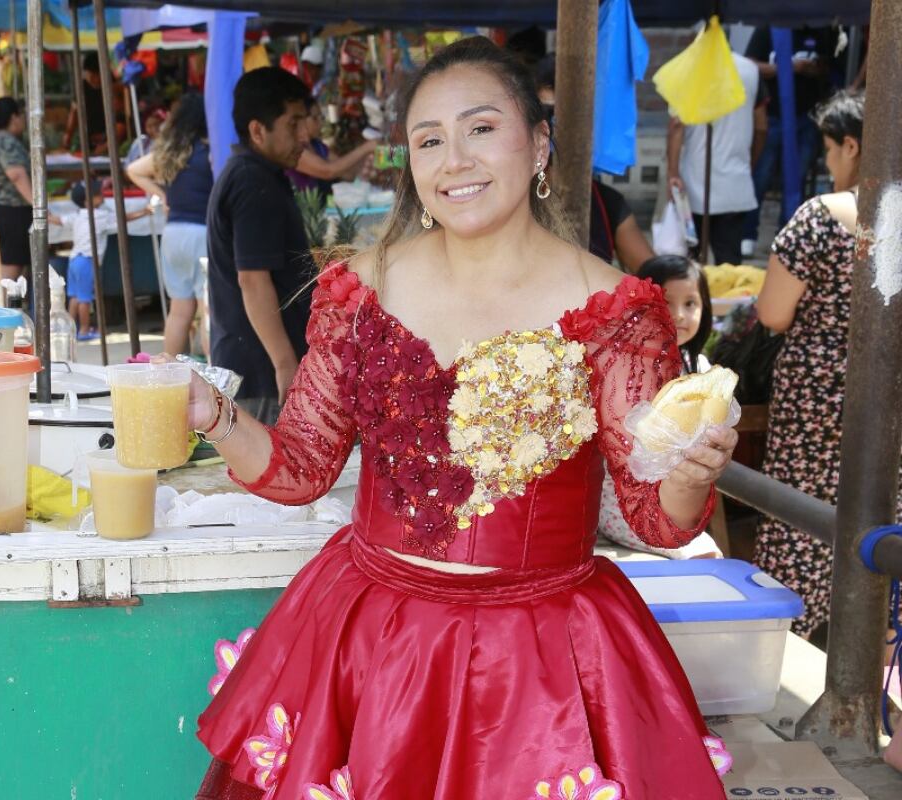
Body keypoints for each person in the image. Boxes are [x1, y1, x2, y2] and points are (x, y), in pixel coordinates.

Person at [187, 37, 737, 799]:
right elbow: (299, 468)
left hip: (538, 668)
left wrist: (691, 475)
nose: (456, 160)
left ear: (538, 143)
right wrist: (211, 412)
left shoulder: (617, 312)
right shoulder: (359, 289)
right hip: (369, 647)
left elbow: (657, 519)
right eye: (429, 140)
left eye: (481, 129)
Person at [754, 91, 897, 644]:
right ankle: (879, 652)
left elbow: (771, 312)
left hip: (816, 401)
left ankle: (787, 638)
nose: (830, 162)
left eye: (831, 150)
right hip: (890, 406)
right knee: (883, 519)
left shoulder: (822, 216)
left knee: (801, 521)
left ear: (853, 145)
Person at [206, 67, 315, 426]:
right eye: (293, 124)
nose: (305, 135)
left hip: (257, 366)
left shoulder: (256, 174)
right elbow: (253, 280)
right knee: (270, 477)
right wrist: (285, 363)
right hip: (263, 373)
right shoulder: (252, 181)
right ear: (258, 131)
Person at [597, 255, 723, 558]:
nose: (679, 315)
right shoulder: (629, 368)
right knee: (704, 554)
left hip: (678, 499)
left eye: (690, 304)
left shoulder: (702, 370)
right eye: (667, 302)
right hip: (625, 502)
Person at [535, 55, 654, 273]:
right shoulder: (511, 198)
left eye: (565, 116)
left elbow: (653, 274)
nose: (552, 128)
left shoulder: (608, 203)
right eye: (547, 113)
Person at [127, 94, 214, 357]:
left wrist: (164, 194)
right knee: (208, 312)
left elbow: (133, 170)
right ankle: (215, 381)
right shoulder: (211, 152)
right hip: (202, 233)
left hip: (173, 234)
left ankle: (171, 375)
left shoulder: (172, 152)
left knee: (179, 312)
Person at [741, 26, 836, 254]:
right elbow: (750, 64)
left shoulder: (817, 31)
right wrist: (786, 67)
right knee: (760, 176)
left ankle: (785, 238)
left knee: (796, 178)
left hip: (806, 116)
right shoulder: (769, 30)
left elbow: (829, 68)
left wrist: (815, 70)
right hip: (773, 115)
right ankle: (747, 234)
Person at [667, 51, 767, 266]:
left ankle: (694, 300)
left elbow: (677, 126)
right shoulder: (750, 69)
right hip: (735, 183)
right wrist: (750, 163)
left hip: (694, 184)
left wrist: (673, 173)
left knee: (690, 265)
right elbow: (761, 127)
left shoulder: (688, 68)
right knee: (729, 264)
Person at [66, 179, 151, 340]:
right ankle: (84, 330)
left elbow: (60, 220)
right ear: (88, 200)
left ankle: (69, 330)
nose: (102, 194)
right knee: (85, 298)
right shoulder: (100, 216)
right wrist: (144, 212)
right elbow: (123, 218)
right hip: (87, 261)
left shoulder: (76, 215)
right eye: (99, 194)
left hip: (74, 259)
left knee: (75, 297)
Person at [285, 97, 376, 201]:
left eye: (321, 117)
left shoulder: (317, 146)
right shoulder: (295, 150)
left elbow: (346, 173)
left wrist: (365, 166)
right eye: (315, 118)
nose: (320, 123)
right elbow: (328, 171)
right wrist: (366, 148)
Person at [0, 97, 33, 281]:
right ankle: (5, 308)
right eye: (21, 115)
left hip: (7, 210)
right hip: (12, 210)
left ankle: (10, 306)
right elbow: (16, 174)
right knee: (11, 268)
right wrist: (38, 206)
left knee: (13, 267)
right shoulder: (5, 141)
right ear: (14, 117)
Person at [64, 53, 123, 153]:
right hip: (88, 138)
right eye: (89, 75)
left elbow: (121, 120)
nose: (93, 79)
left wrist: (107, 144)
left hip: (111, 139)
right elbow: (74, 112)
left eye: (96, 75)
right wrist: (68, 135)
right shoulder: (82, 87)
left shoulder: (115, 86)